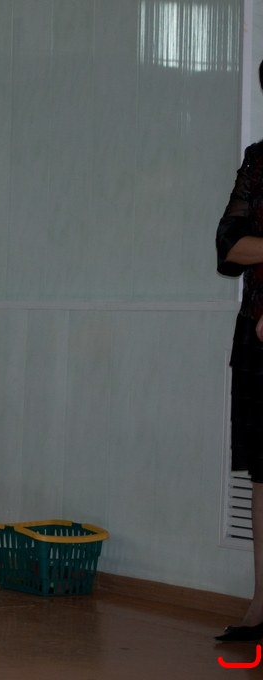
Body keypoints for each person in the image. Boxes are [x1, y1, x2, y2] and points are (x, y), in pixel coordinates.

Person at [215, 59, 263, 643]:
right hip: (256, 340)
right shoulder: (258, 161)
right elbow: (228, 247)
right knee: (262, 475)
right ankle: (261, 605)